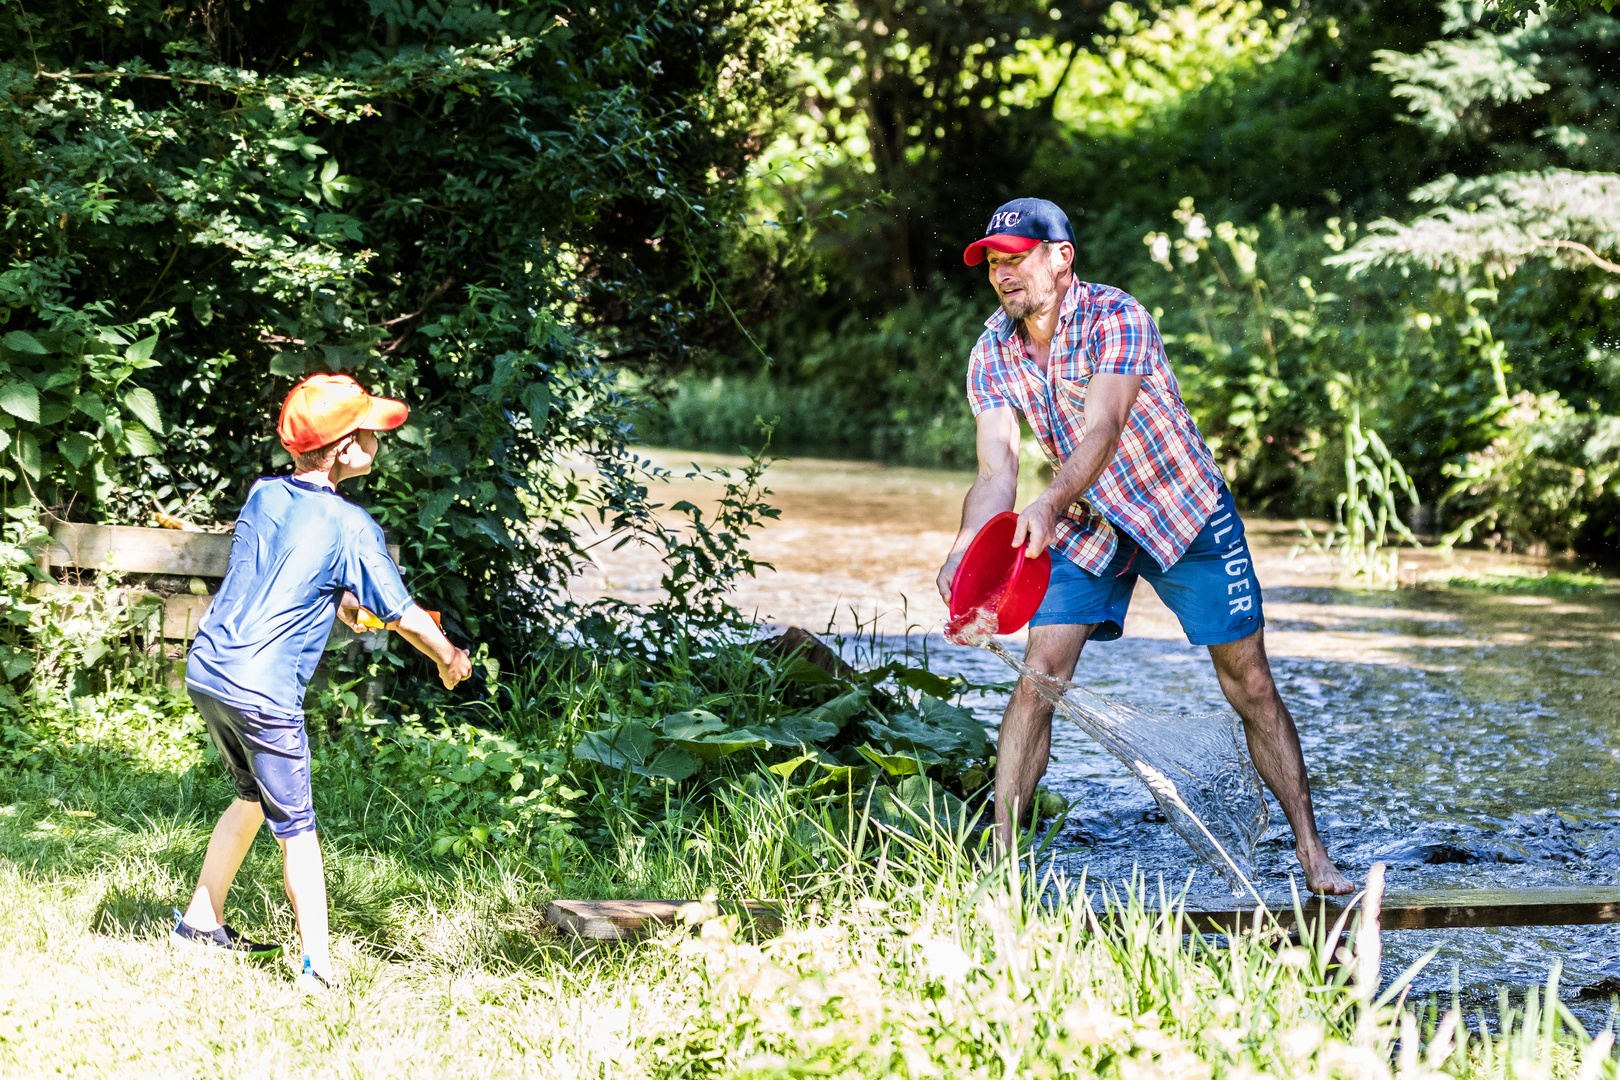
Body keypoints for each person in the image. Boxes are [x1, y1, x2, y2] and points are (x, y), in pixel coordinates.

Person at [935, 198, 1352, 895]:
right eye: (994, 263)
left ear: (1061, 259)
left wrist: (1046, 502)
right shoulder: (991, 352)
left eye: (1018, 258)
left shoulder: (1117, 317)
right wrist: (966, 547)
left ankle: (1313, 855)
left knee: (1248, 683)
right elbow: (995, 472)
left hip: (1181, 511)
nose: (1004, 275)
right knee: (1040, 676)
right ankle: (999, 871)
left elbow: (1103, 429)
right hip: (1088, 522)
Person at [173, 373, 474, 989]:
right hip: (262, 691)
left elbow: (285, 571)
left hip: (210, 669)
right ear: (343, 449)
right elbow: (408, 617)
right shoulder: (351, 525)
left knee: (252, 797)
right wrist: (447, 656)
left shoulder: (263, 494)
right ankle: (317, 968)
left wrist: (341, 603)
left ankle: (201, 922)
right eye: (369, 434)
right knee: (299, 829)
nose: (379, 443)